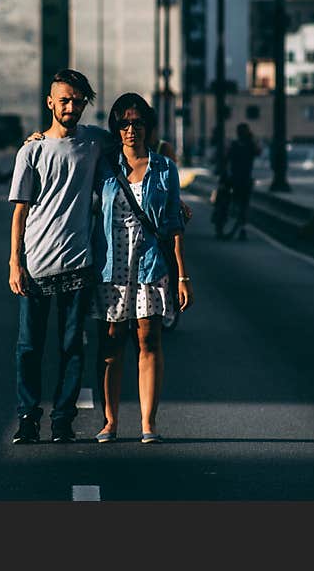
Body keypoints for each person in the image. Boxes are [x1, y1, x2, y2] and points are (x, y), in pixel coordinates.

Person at [7, 69, 108, 445]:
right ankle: (27, 419)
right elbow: (20, 211)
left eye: (78, 101)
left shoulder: (95, 141)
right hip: (35, 264)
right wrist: (15, 261)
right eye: (64, 100)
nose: (71, 106)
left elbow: (136, 148)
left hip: (78, 264)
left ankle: (62, 420)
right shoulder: (31, 150)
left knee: (71, 348)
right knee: (29, 348)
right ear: (50, 102)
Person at [92, 93, 192, 444]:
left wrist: (182, 275)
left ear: (148, 126)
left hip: (149, 262)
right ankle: (110, 422)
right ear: (116, 128)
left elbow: (173, 225)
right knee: (112, 343)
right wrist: (38, 137)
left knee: (148, 340)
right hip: (112, 264)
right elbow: (76, 137)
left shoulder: (164, 168)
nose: (131, 129)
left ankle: (148, 423)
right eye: (124, 123)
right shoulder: (105, 165)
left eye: (137, 123)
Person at [224, 123, 261, 240]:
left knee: (238, 202)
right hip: (243, 179)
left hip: (237, 178)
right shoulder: (249, 144)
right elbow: (258, 151)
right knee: (243, 204)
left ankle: (238, 226)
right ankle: (241, 228)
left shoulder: (236, 144)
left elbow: (227, 157)